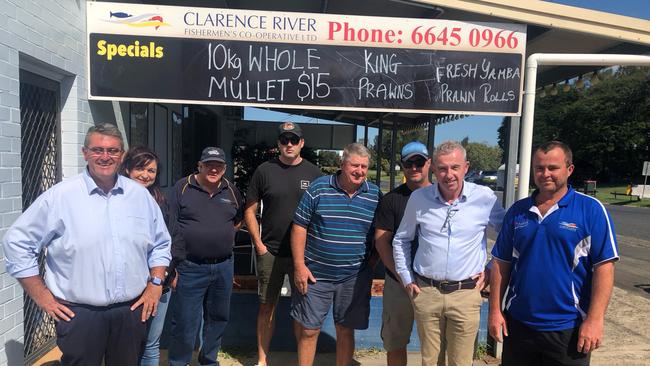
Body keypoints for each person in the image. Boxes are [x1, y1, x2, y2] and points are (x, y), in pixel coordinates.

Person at [3, 123, 171, 365]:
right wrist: (42, 297)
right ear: (85, 153)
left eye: (113, 151)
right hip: (79, 315)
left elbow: (161, 243)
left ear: (121, 155)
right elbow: (17, 244)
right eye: (98, 150)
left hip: (132, 310)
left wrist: (156, 283)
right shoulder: (60, 197)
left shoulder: (140, 196)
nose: (105, 157)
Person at [489, 141, 619, 366]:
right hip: (518, 325)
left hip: (567, 328)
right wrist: (494, 311)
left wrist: (595, 320)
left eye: (553, 168)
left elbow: (604, 267)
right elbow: (501, 263)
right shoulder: (517, 211)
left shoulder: (591, 210)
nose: (545, 174)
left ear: (569, 170)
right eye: (539, 168)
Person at [392, 140, 505, 366]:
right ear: (433, 168)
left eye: (455, 167)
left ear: (466, 167)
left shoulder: (484, 198)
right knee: (429, 360)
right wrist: (406, 278)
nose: (449, 174)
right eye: (442, 168)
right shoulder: (419, 199)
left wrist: (491, 269)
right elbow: (401, 240)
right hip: (426, 292)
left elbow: (508, 235)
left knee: (460, 362)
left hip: (466, 294)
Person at [291, 142, 381, 366]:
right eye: (354, 165)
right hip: (316, 276)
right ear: (342, 165)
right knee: (310, 331)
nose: (359, 171)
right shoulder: (319, 188)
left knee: (345, 330)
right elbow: (299, 226)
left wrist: (372, 261)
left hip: (353, 278)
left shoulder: (375, 195)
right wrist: (299, 266)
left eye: (364, 166)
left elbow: (382, 234)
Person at [243, 122, 321, 366]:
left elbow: (322, 213)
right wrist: (258, 244)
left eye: (293, 140)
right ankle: (263, 360)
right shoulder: (264, 171)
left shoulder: (314, 173)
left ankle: (302, 361)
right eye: (284, 140)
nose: (289, 144)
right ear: (278, 143)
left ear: (302, 143)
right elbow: (250, 209)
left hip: (304, 257)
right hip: (271, 252)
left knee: (302, 310)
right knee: (267, 307)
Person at [168, 146, 244, 366]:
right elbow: (170, 228)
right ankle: (179, 362)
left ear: (224, 168)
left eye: (218, 165)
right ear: (199, 166)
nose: (213, 169)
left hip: (222, 266)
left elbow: (237, 221)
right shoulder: (182, 188)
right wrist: (172, 267)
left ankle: (209, 361)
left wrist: (220, 240)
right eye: (208, 164)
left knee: (218, 320)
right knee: (184, 322)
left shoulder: (231, 190)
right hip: (190, 267)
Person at [375, 141, 432, 366]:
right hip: (399, 285)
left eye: (419, 162)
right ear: (402, 166)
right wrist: (403, 276)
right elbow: (381, 243)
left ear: (429, 163)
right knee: (396, 342)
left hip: (434, 284)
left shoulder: (442, 197)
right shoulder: (391, 200)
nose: (415, 168)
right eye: (409, 163)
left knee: (434, 343)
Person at [120, 146, 171, 366]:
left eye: (151, 171)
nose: (146, 175)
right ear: (127, 169)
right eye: (140, 168)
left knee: (151, 344)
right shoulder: (115, 200)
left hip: (159, 284)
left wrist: (170, 271)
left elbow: (172, 239)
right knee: (125, 344)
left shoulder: (161, 201)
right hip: (127, 287)